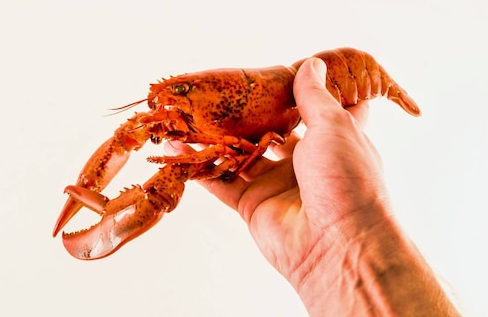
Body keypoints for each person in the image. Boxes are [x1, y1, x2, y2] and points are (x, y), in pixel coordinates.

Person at [167, 58, 461, 317]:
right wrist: (333, 248)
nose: (175, 101)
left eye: (182, 92)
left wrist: (348, 228)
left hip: (346, 70)